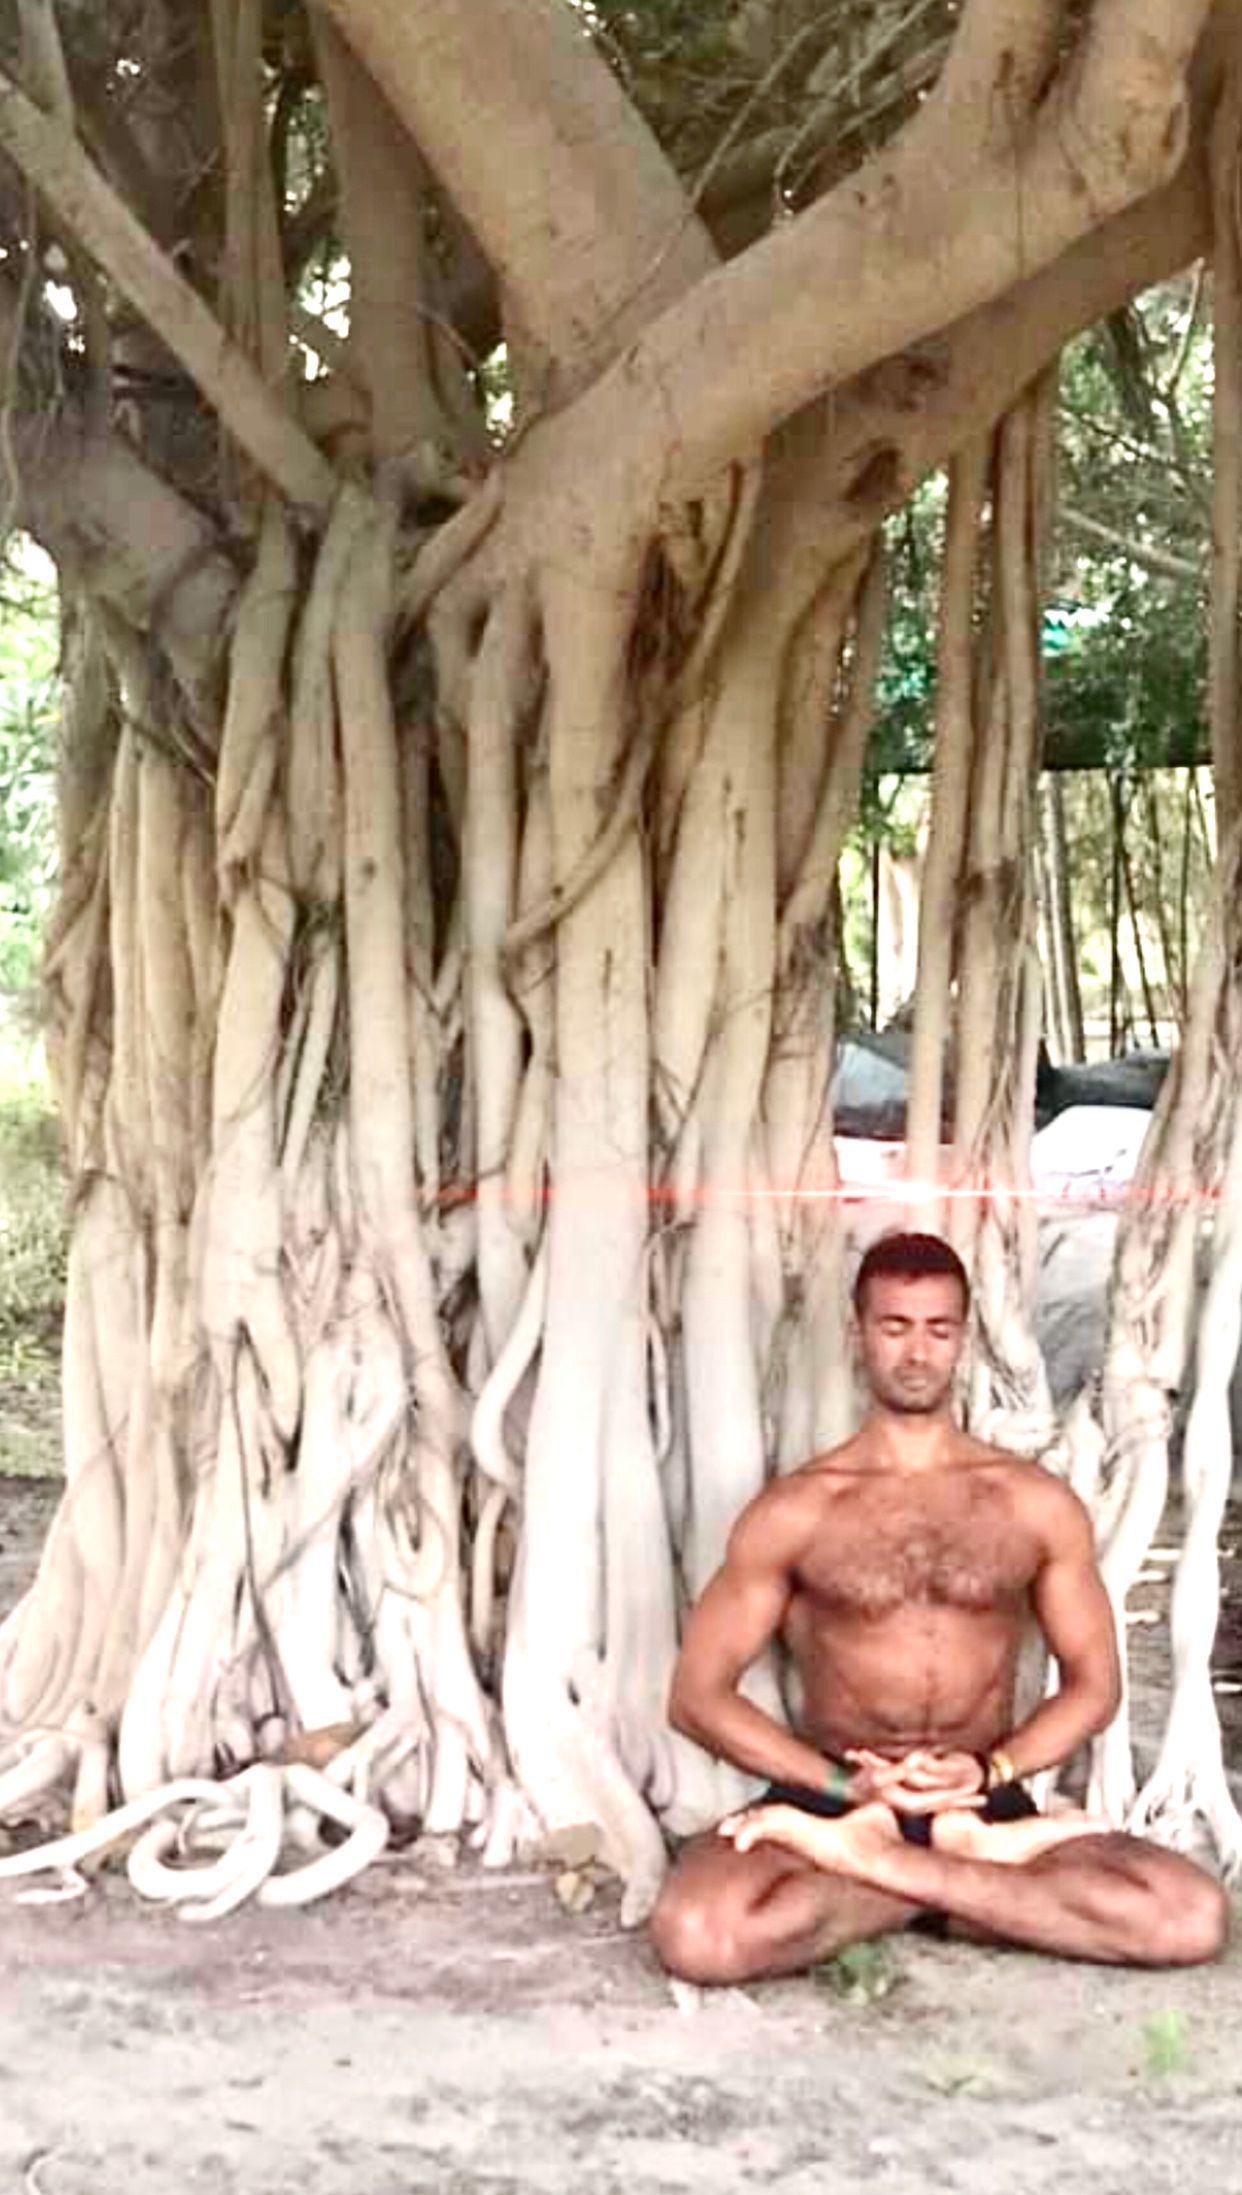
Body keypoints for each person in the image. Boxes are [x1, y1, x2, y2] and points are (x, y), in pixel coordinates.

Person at [650, 1231, 1229, 1981]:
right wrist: (841, 1788)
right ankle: (963, 1881)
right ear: (859, 1334)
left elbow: (1095, 1684)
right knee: (699, 1934)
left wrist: (990, 1773)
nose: (916, 1352)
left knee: (1189, 1914)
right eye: (894, 1327)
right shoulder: (797, 1510)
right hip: (837, 1789)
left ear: (963, 1337)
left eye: (937, 1329)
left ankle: (880, 1867)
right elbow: (696, 1696)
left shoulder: (1032, 1503)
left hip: (978, 1795)